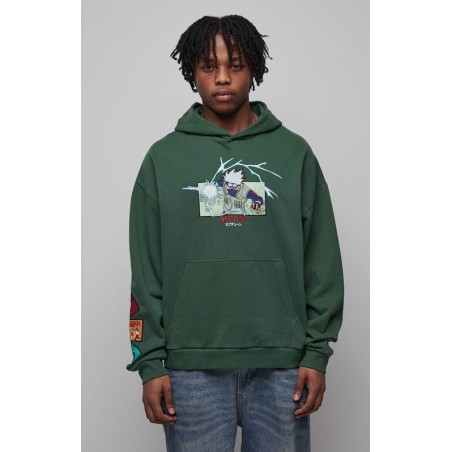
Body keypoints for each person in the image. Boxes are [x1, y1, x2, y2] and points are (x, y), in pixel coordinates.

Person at [127, 14, 344, 452]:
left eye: (236, 65)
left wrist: (316, 352)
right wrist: (149, 361)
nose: (223, 77)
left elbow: (321, 259)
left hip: (283, 365)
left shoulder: (294, 153)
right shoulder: (163, 159)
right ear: (192, 72)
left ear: (255, 69)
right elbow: (146, 271)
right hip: (191, 369)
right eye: (209, 66)